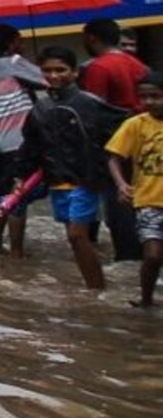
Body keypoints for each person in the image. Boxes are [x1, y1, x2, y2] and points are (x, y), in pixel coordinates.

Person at [31, 45, 122, 291]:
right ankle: (94, 286)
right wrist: (20, 177)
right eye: (47, 71)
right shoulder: (40, 109)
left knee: (76, 235)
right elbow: (32, 145)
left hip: (86, 181)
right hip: (57, 182)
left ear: (74, 73)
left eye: (60, 70)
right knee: (75, 239)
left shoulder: (90, 103)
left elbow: (120, 132)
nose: (53, 76)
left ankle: (97, 289)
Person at [80, 17, 147, 263]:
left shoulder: (98, 68)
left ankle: (128, 258)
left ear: (91, 38)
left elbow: (92, 110)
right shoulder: (137, 65)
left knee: (118, 200)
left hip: (113, 143)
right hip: (143, 139)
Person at [0, 23, 44, 256]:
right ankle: (16, 252)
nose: (22, 45)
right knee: (18, 198)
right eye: (19, 41)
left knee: (0, 196)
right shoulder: (13, 63)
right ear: (11, 43)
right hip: (16, 142)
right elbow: (48, 79)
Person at [105, 69, 163, 308]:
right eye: (144, 97)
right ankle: (146, 300)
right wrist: (121, 184)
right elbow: (113, 156)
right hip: (148, 200)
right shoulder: (135, 124)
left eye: (156, 96)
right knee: (152, 256)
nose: (149, 102)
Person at [80, 19, 147, 114]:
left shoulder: (98, 67)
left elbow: (93, 106)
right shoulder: (136, 63)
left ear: (91, 38)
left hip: (115, 124)